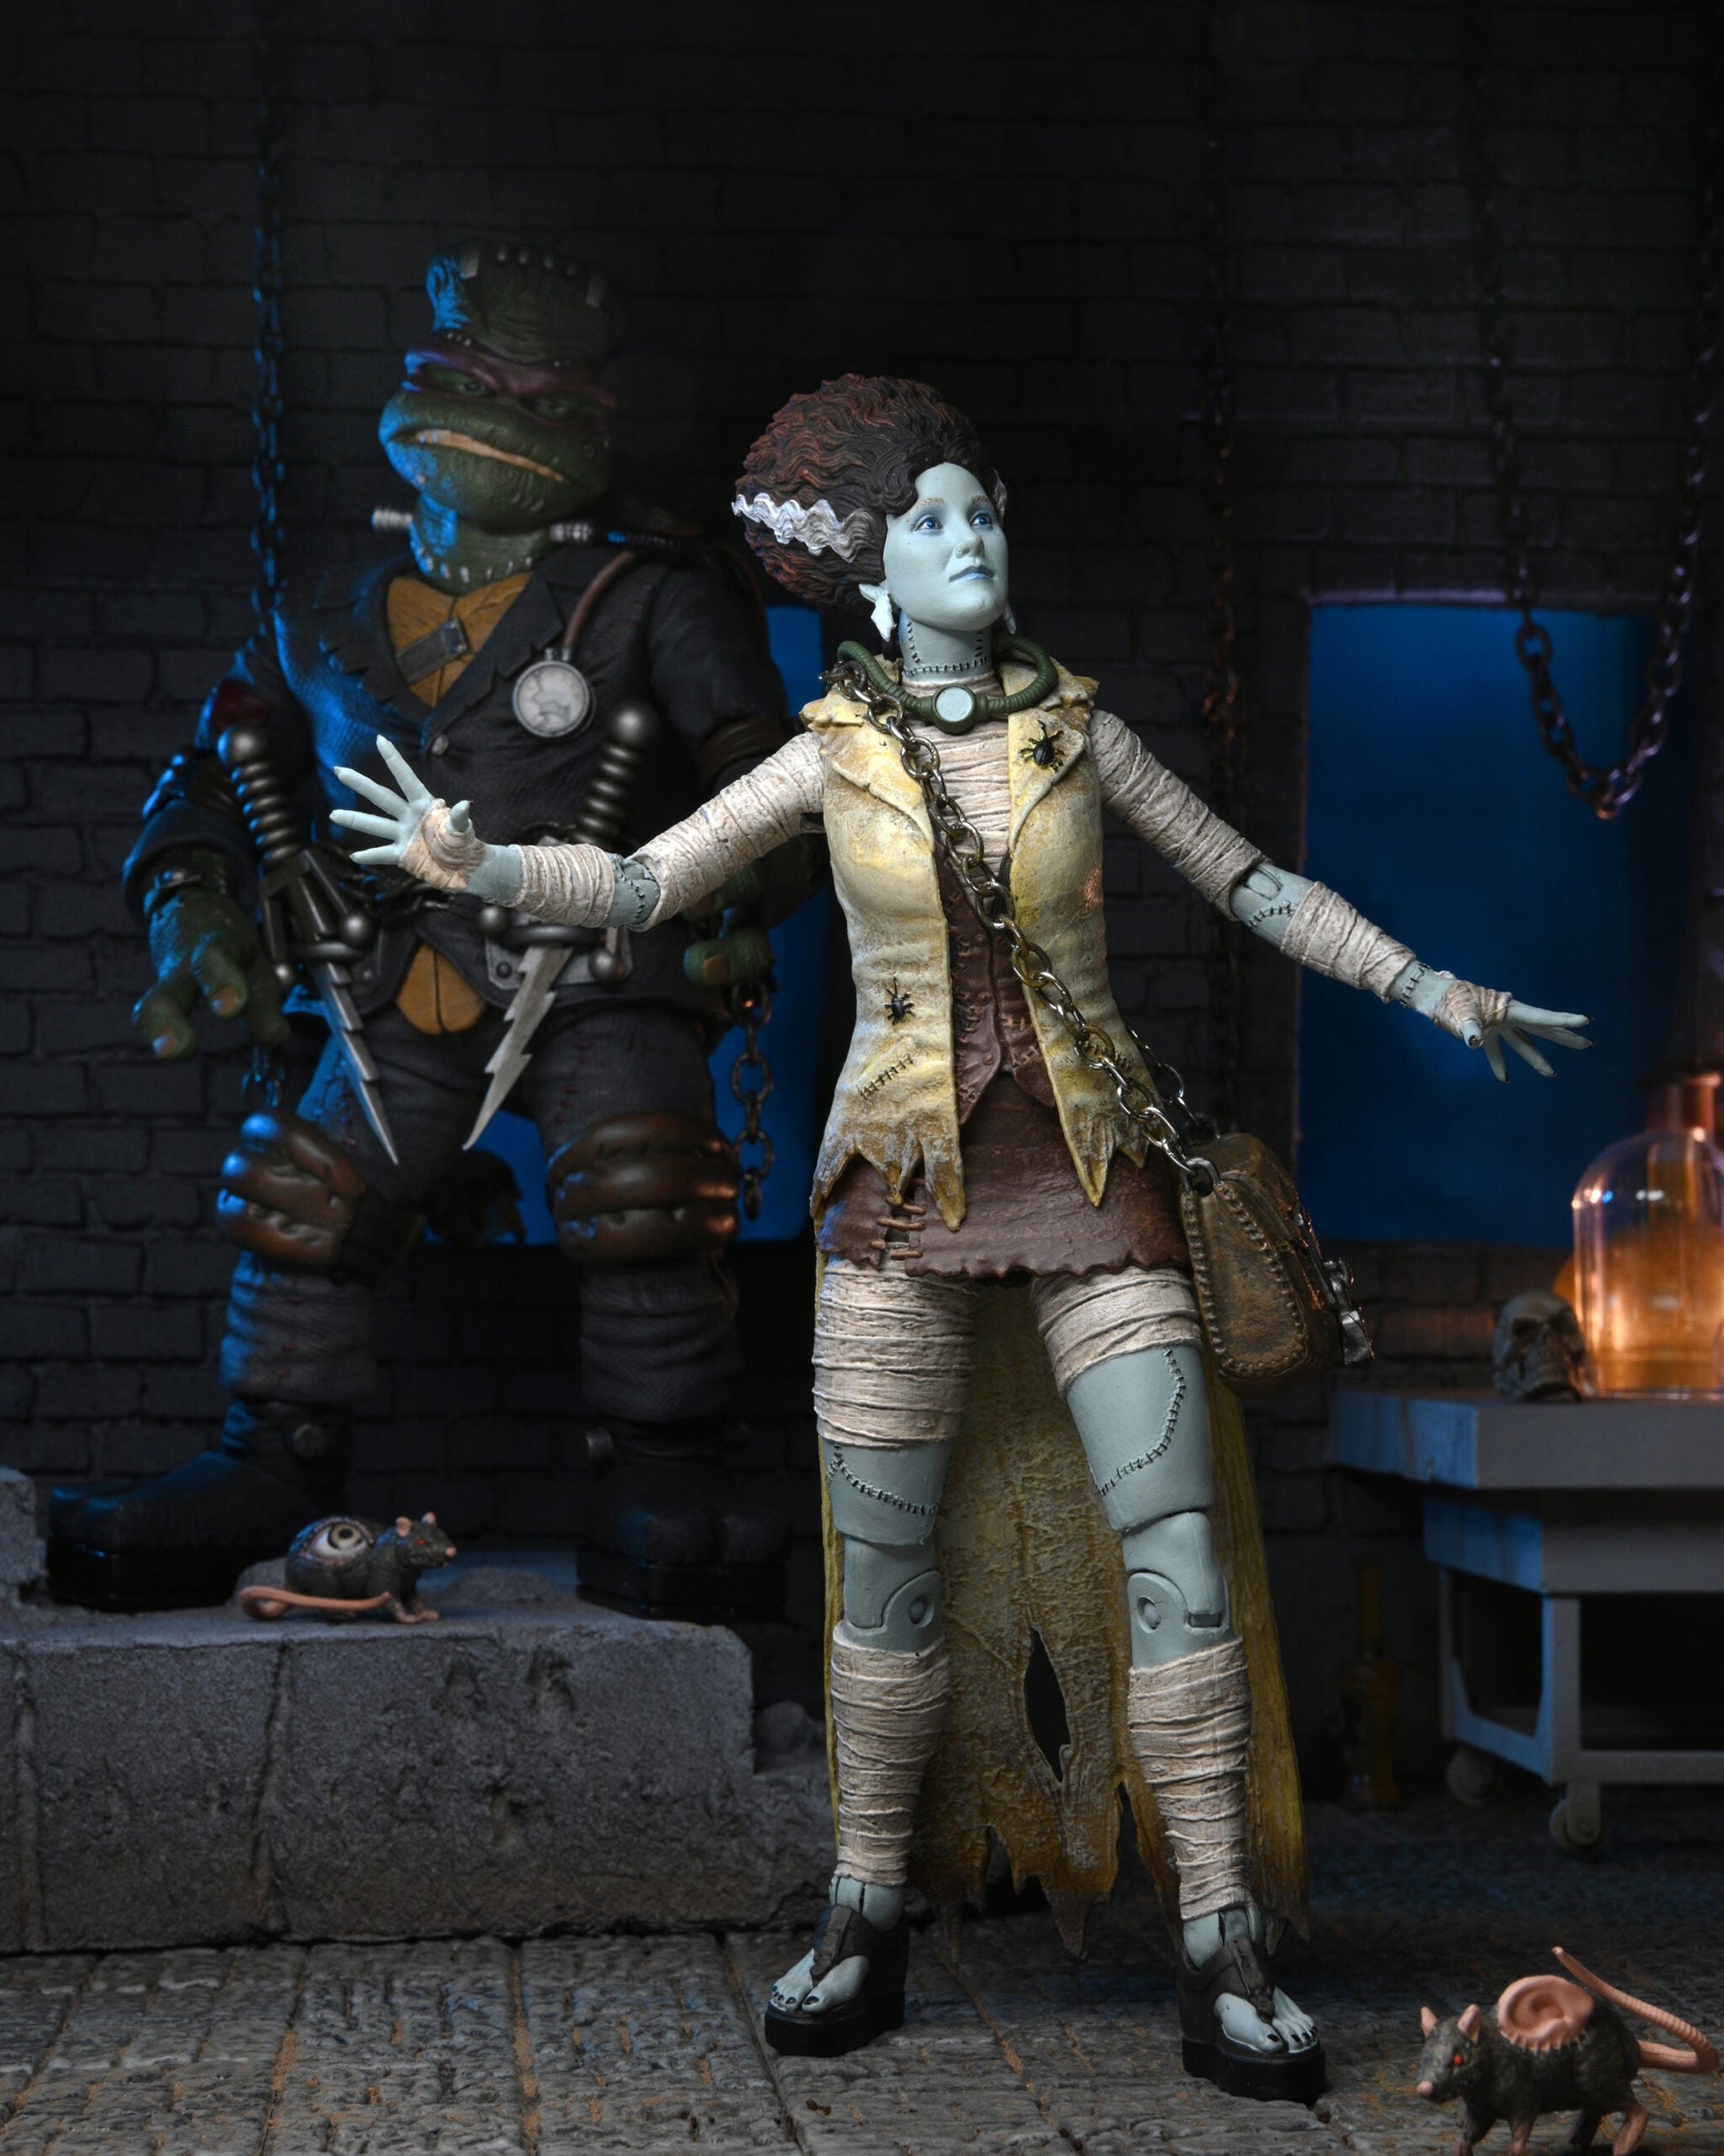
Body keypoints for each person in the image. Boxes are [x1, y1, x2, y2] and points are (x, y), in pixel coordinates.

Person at [331, 375, 1588, 2096]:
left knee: (1174, 1543)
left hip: (1095, 1178)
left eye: (979, 509)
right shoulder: (827, 751)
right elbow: (640, 885)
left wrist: (1429, 985)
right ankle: (863, 1912)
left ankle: (1219, 1939)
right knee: (885, 1570)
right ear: (865, 564)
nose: (967, 536)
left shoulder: (1077, 729)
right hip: (896, 1186)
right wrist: (475, 865)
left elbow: (1247, 881)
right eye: (926, 518)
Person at [49, 240, 817, 1622]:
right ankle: (272, 1459)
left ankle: (662, 1469)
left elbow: (768, 779)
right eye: (470, 382)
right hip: (393, 975)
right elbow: (210, 777)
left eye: (541, 395)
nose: (500, 415)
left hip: (597, 964)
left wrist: (740, 896)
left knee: (641, 1191)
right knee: (306, 1199)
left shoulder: (653, 596)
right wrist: (194, 909)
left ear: (590, 421)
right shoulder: (318, 618)